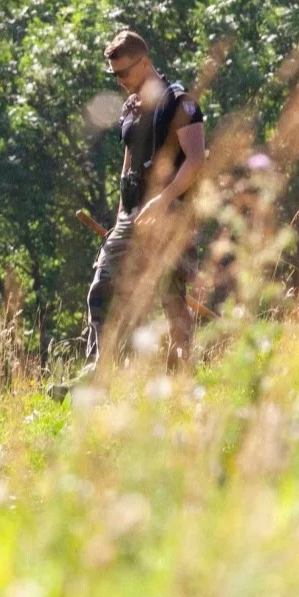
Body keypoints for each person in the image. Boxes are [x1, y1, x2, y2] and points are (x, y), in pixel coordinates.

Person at [84, 29, 207, 369]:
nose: (120, 79)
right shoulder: (131, 107)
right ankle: (98, 371)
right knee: (103, 284)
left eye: (124, 71)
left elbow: (196, 160)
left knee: (171, 295)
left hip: (172, 212)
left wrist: (163, 199)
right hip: (133, 214)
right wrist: (122, 216)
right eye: (114, 74)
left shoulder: (178, 102)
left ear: (145, 61)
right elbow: (130, 165)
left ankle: (183, 371)